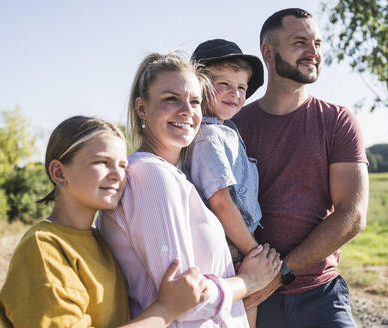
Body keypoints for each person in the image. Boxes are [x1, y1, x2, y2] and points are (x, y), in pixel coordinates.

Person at [98, 52, 281, 327]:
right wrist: (249, 281)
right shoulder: (150, 174)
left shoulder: (174, 176)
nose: (187, 111)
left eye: (195, 101)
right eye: (171, 98)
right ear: (142, 108)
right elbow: (185, 302)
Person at [0, 116, 210, 328]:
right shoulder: (43, 249)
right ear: (59, 173)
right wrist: (165, 309)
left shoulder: (101, 240)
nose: (118, 174)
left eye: (123, 165)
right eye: (102, 162)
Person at [232, 8, 369, 328]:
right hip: (254, 300)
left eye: (318, 43)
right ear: (268, 52)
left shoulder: (337, 121)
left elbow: (353, 214)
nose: (314, 52)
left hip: (321, 294)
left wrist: (280, 274)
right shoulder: (234, 127)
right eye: (300, 42)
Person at [181, 39, 265, 328]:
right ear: (199, 86)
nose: (235, 94)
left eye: (241, 87)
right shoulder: (208, 135)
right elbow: (220, 201)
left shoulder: (226, 131)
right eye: (224, 84)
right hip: (232, 243)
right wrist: (254, 251)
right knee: (244, 309)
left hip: (238, 238)